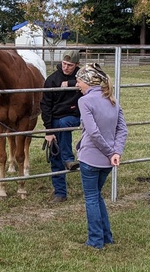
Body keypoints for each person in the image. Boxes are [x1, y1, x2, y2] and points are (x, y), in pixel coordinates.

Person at [75, 62, 127, 250]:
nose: (77, 85)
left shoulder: (85, 101)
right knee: (97, 196)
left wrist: (109, 151)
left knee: (91, 198)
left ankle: (95, 240)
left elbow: (93, 132)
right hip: (107, 162)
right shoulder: (111, 99)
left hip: (90, 158)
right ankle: (106, 236)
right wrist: (115, 152)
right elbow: (123, 129)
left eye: (79, 81)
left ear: (88, 81)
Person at [40, 50, 81, 202]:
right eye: (64, 64)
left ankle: (68, 158)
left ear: (76, 65)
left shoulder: (83, 76)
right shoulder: (51, 80)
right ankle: (60, 192)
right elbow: (45, 106)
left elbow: (99, 82)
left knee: (63, 123)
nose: (66, 68)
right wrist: (49, 131)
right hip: (56, 120)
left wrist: (70, 84)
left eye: (70, 65)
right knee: (54, 151)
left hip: (76, 116)